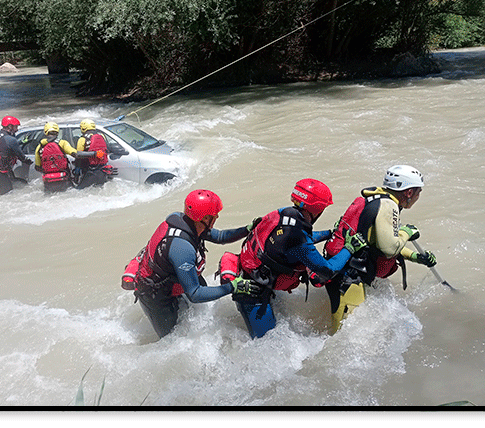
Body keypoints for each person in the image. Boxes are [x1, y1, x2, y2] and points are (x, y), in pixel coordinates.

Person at [219, 179, 367, 339]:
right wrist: (349, 248)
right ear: (317, 208)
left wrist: (329, 233)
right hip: (252, 296)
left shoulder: (283, 214)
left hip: (252, 277)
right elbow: (328, 270)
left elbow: (300, 241)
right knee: (268, 348)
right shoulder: (297, 237)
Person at [121, 189, 260, 339]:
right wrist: (232, 287)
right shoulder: (182, 249)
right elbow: (195, 294)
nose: (217, 216)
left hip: (172, 279)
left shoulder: (186, 221)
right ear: (204, 218)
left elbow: (220, 236)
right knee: (173, 341)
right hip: (156, 296)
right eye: (214, 215)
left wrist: (247, 229)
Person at [323, 165, 437, 331]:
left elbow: (376, 242)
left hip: (343, 271)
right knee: (340, 336)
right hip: (349, 279)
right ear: (409, 192)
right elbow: (389, 249)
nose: (419, 196)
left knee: (342, 332)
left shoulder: (378, 199)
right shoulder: (388, 206)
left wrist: (415, 257)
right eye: (418, 191)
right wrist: (406, 232)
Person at [34, 122, 78, 192]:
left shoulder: (39, 147)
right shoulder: (62, 143)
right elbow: (75, 153)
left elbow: (37, 167)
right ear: (57, 132)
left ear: (45, 132)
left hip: (48, 181)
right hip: (63, 179)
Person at [73, 119, 115, 189]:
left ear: (83, 128)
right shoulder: (102, 136)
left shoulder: (82, 139)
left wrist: (76, 175)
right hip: (102, 170)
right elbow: (106, 148)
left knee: (79, 190)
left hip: (89, 170)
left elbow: (79, 155)